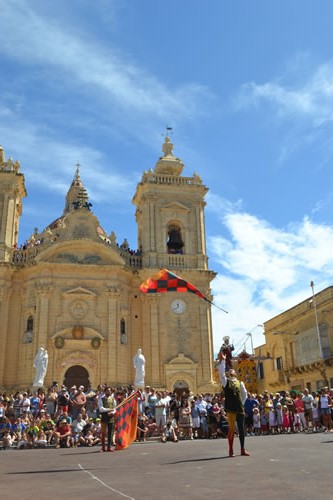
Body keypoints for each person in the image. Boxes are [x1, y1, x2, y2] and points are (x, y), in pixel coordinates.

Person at [218, 350, 250, 457]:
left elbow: (245, 394)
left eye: (233, 370)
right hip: (231, 409)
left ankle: (242, 449)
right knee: (231, 429)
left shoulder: (240, 383)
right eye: (230, 370)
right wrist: (222, 361)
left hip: (239, 409)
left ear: (235, 373)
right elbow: (221, 375)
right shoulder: (226, 381)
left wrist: (242, 403)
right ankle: (231, 449)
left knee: (241, 429)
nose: (231, 371)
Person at [98, 386, 116, 452]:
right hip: (104, 416)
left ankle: (109, 447)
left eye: (110, 391)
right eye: (108, 391)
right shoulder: (101, 399)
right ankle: (103, 448)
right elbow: (101, 409)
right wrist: (110, 410)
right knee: (103, 433)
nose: (109, 392)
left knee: (110, 433)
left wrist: (113, 412)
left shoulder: (112, 399)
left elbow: (115, 408)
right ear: (105, 391)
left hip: (111, 417)